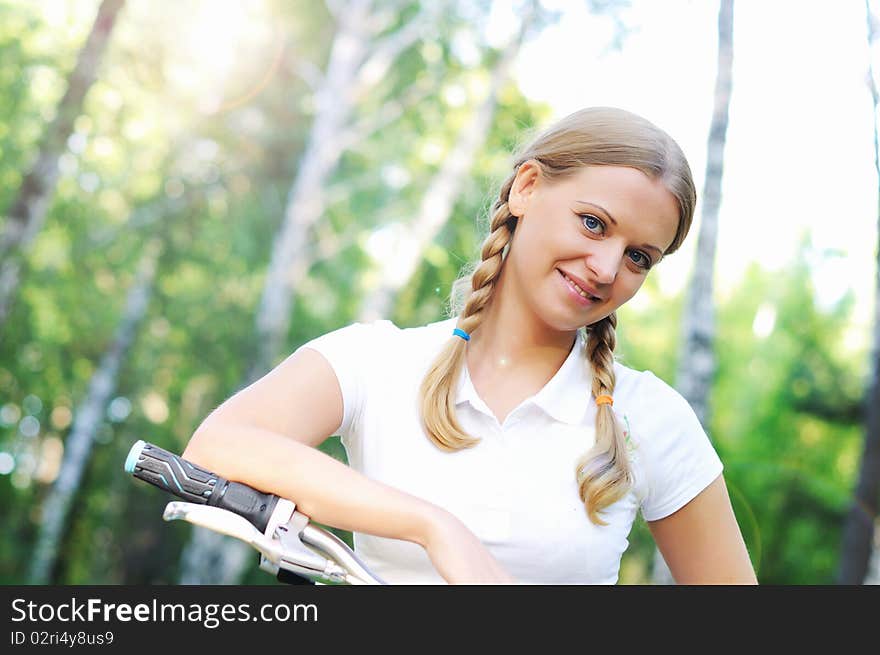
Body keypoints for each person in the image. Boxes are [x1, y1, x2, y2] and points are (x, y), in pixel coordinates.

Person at [182, 106, 758, 585]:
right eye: (593, 223)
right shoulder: (377, 362)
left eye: (638, 258)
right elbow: (218, 444)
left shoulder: (650, 418)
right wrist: (436, 528)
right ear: (528, 188)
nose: (608, 268)